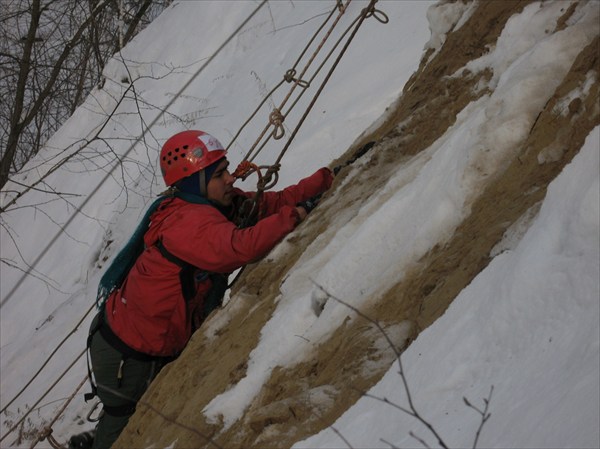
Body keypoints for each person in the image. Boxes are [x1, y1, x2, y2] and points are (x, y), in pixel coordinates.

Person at [70, 130, 333, 449]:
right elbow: (240, 247)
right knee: (123, 427)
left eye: (226, 170)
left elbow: (270, 204)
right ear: (196, 182)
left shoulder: (215, 206)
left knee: (133, 417)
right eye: (218, 174)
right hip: (128, 353)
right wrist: (297, 215)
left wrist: (324, 178)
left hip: (139, 343)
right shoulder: (189, 221)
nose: (230, 180)